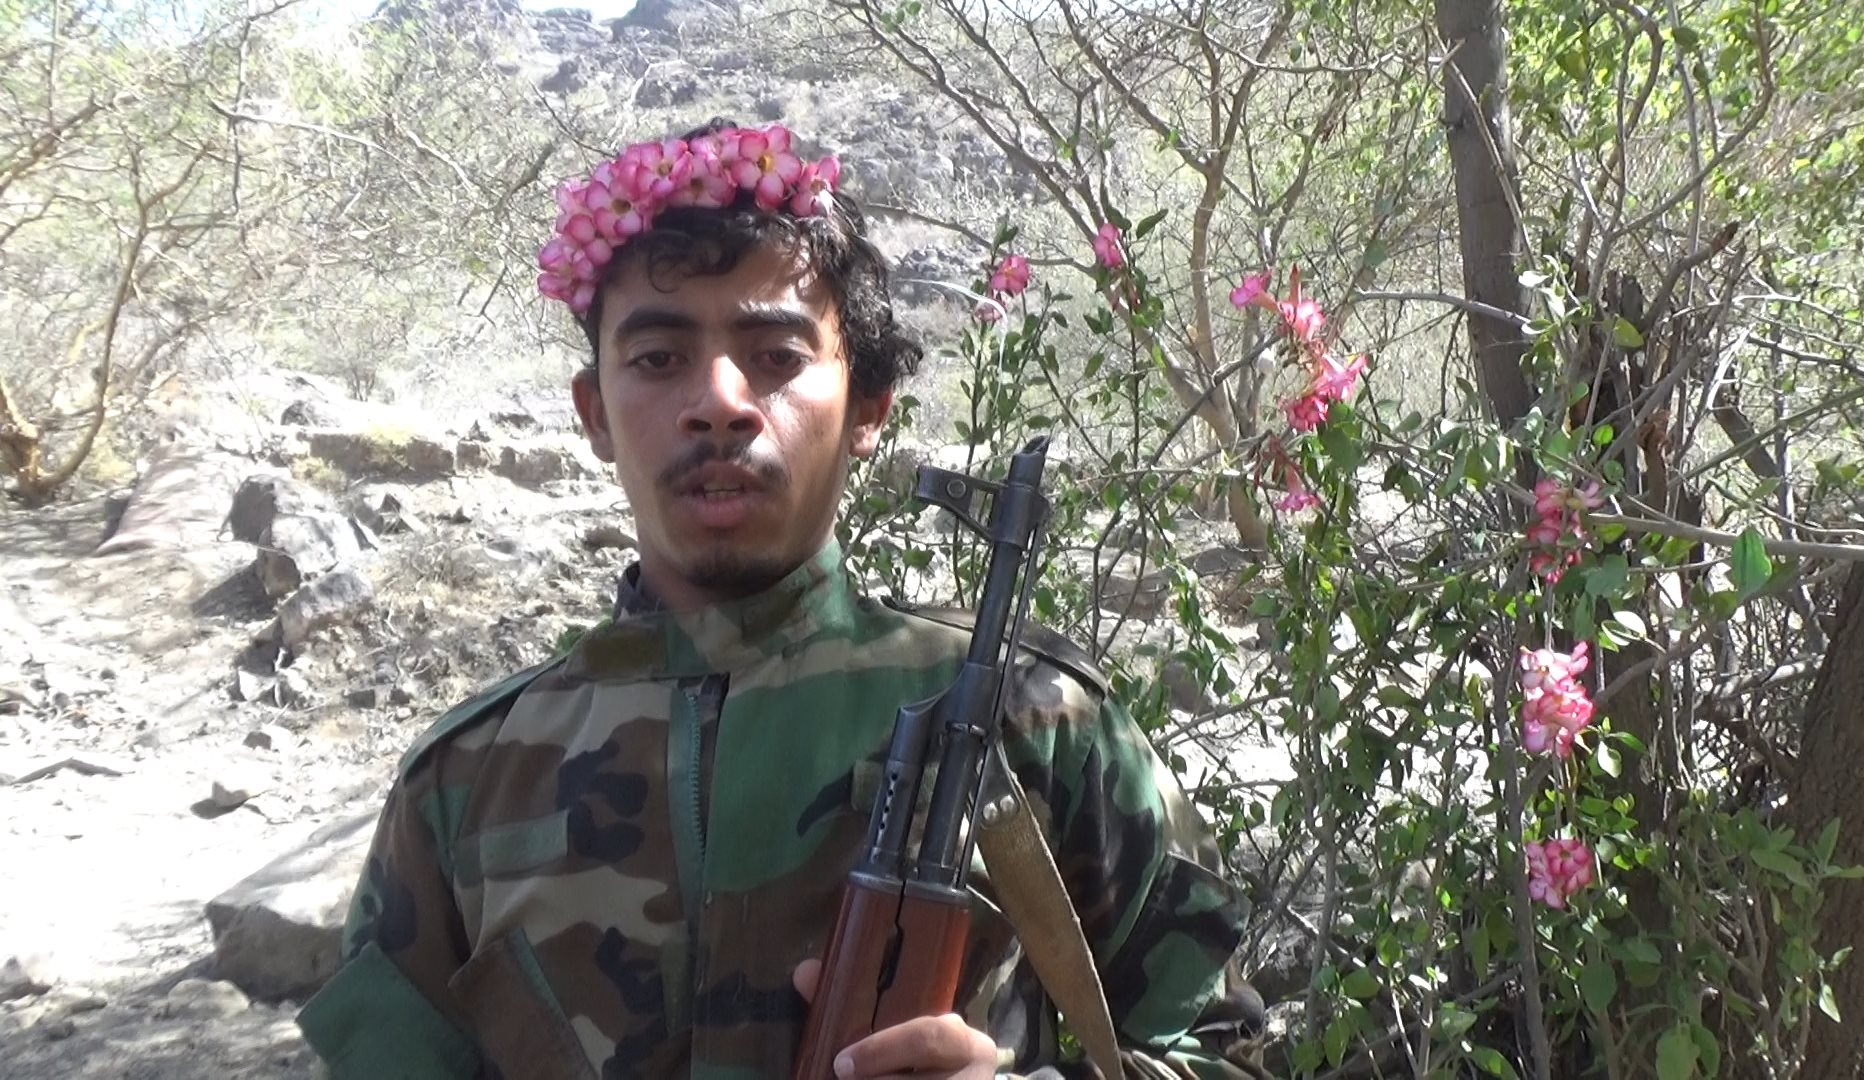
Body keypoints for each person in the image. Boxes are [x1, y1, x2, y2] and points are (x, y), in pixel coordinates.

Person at [296, 117, 1266, 1079]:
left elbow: (1230, 1055)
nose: (720, 401)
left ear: (868, 409)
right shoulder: (462, 785)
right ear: (594, 414)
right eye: (659, 358)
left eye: (777, 357)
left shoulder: (1037, 723)